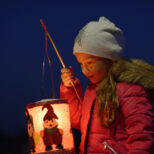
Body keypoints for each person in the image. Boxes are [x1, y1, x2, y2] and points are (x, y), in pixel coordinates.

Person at [60, 16, 154, 154]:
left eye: (90, 63)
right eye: (81, 64)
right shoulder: (92, 90)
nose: (84, 70)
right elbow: (77, 120)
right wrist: (70, 89)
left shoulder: (129, 90)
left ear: (109, 59)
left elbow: (142, 136)